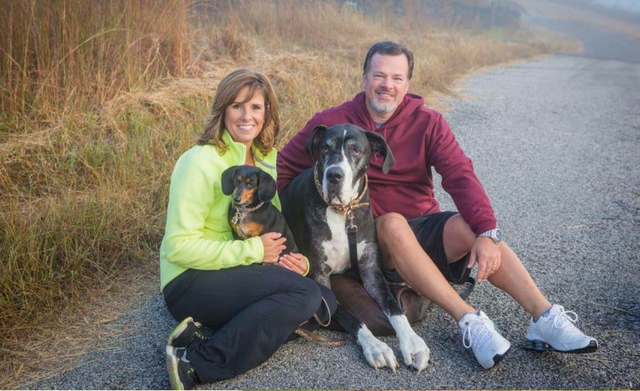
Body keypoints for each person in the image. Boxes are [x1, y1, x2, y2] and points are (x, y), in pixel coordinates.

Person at [277, 41, 598, 370]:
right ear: (363, 78)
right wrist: (284, 231)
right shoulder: (332, 122)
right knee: (391, 223)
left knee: (471, 228)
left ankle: (543, 316)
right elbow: (285, 169)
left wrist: (488, 232)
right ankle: (470, 321)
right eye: (379, 75)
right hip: (376, 237)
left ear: (408, 84)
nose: (387, 85)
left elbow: (460, 175)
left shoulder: (428, 122)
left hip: (419, 230)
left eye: (397, 78)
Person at [161, 68, 336, 389]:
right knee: (304, 296)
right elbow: (178, 247)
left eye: (256, 107)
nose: (247, 116)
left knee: (324, 298)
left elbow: (273, 225)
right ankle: (195, 363)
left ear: (267, 111)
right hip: (189, 280)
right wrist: (254, 250)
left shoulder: (266, 157)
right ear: (222, 110)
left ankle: (203, 331)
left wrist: (296, 261)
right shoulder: (199, 160)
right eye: (237, 106)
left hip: (236, 269)